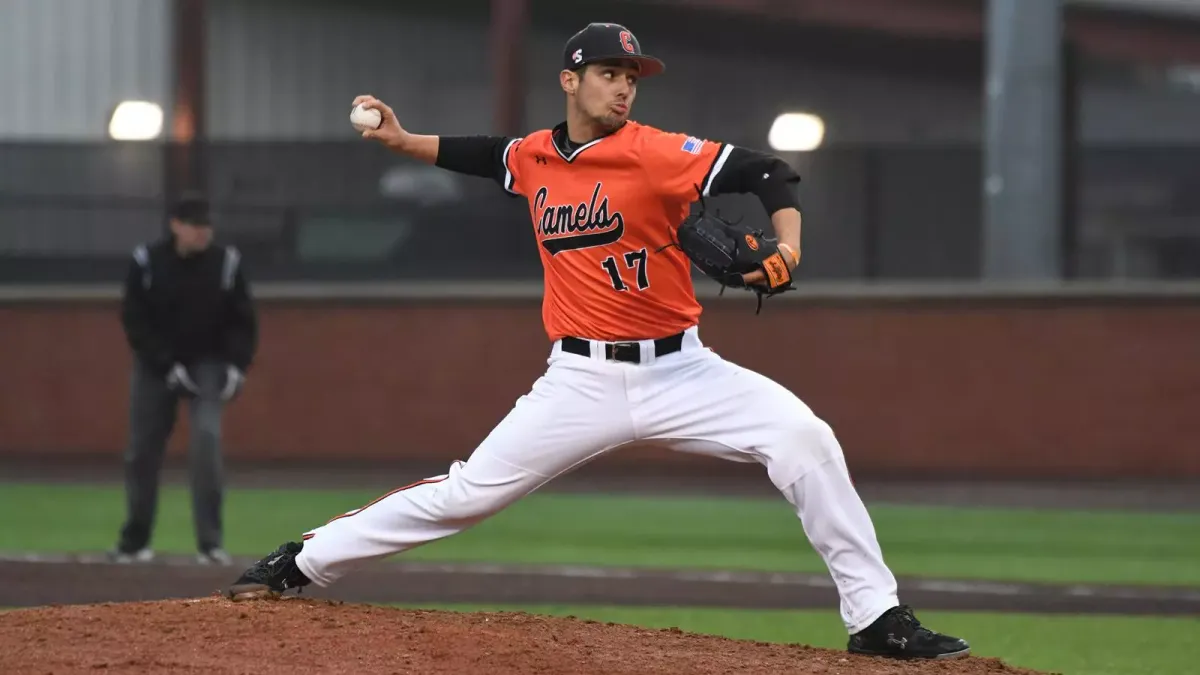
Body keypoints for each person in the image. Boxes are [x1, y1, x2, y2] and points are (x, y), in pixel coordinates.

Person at [226, 23, 970, 660]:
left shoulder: (657, 151)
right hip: (578, 380)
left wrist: (789, 247)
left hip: (684, 371)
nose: (623, 88)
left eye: (631, 77)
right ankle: (305, 560)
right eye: (609, 74)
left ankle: (874, 618)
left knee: (805, 438)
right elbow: (488, 155)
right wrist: (401, 139)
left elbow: (770, 172)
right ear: (570, 80)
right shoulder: (537, 158)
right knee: (466, 494)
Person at [110, 192, 258, 566]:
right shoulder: (147, 261)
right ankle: (134, 541)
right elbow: (134, 318)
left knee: (207, 441)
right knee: (142, 450)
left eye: (206, 226)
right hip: (156, 366)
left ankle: (211, 544)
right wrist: (163, 363)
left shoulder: (227, 263)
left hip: (208, 363)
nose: (202, 232)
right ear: (176, 225)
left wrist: (236, 367)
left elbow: (243, 319)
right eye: (195, 225)